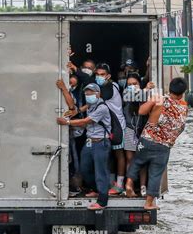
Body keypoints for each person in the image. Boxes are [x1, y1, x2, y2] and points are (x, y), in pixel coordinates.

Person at [126, 78, 189, 210]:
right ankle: (149, 203)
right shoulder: (184, 106)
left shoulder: (159, 99)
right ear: (183, 92)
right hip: (164, 146)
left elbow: (141, 111)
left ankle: (129, 184)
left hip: (147, 140)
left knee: (137, 162)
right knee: (155, 173)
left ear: (170, 88)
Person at [57, 83, 111, 210]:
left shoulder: (102, 108)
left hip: (101, 143)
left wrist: (67, 122)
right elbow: (79, 110)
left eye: (91, 93)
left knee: (100, 172)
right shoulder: (91, 105)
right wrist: (74, 110)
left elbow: (85, 121)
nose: (88, 95)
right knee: (84, 169)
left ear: (98, 94)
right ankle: (96, 189)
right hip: (89, 142)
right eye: (86, 93)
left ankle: (102, 201)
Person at [94, 63, 127, 196]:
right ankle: (111, 183)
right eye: (97, 74)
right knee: (110, 156)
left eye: (102, 75)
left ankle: (119, 185)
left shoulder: (109, 87)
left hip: (117, 126)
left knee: (119, 154)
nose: (99, 77)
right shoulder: (103, 86)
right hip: (109, 127)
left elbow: (94, 99)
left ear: (108, 76)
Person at [122, 72, 155, 196]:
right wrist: (145, 88)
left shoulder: (147, 94)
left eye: (134, 83)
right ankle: (128, 186)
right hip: (129, 130)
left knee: (142, 159)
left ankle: (142, 187)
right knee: (130, 159)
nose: (132, 86)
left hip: (143, 131)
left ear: (139, 83)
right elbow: (134, 96)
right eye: (129, 84)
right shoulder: (126, 94)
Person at [57, 78, 85, 194]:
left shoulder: (71, 93)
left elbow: (72, 106)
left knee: (71, 161)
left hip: (68, 133)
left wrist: (63, 88)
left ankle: (73, 187)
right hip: (65, 132)